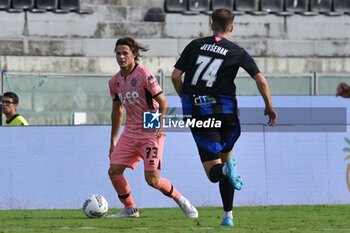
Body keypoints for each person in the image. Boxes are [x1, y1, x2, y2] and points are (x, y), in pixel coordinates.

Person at [171, 8, 277, 227]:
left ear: (211, 25)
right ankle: (228, 215)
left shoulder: (195, 45)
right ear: (232, 27)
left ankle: (228, 171)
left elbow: (175, 76)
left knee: (214, 172)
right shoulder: (237, 51)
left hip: (201, 115)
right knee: (226, 156)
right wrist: (269, 106)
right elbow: (261, 80)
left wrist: (185, 97)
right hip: (228, 116)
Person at [107, 37, 198, 218]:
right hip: (130, 130)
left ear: (133, 55)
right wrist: (113, 140)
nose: (121, 57)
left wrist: (158, 124)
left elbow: (163, 102)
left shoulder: (144, 75)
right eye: (118, 53)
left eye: (125, 53)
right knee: (113, 170)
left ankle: (182, 200)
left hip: (150, 128)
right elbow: (117, 111)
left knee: (152, 180)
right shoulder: (114, 82)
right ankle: (130, 209)